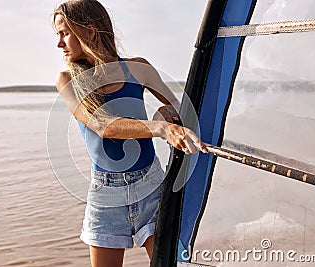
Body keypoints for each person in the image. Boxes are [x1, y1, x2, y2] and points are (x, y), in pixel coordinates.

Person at [52, 1, 207, 266]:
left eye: (64, 33)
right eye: (58, 35)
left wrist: (164, 113)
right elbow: (102, 126)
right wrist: (160, 128)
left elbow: (180, 109)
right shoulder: (68, 80)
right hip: (105, 197)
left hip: (151, 187)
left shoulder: (138, 68)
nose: (59, 44)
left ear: (90, 32)